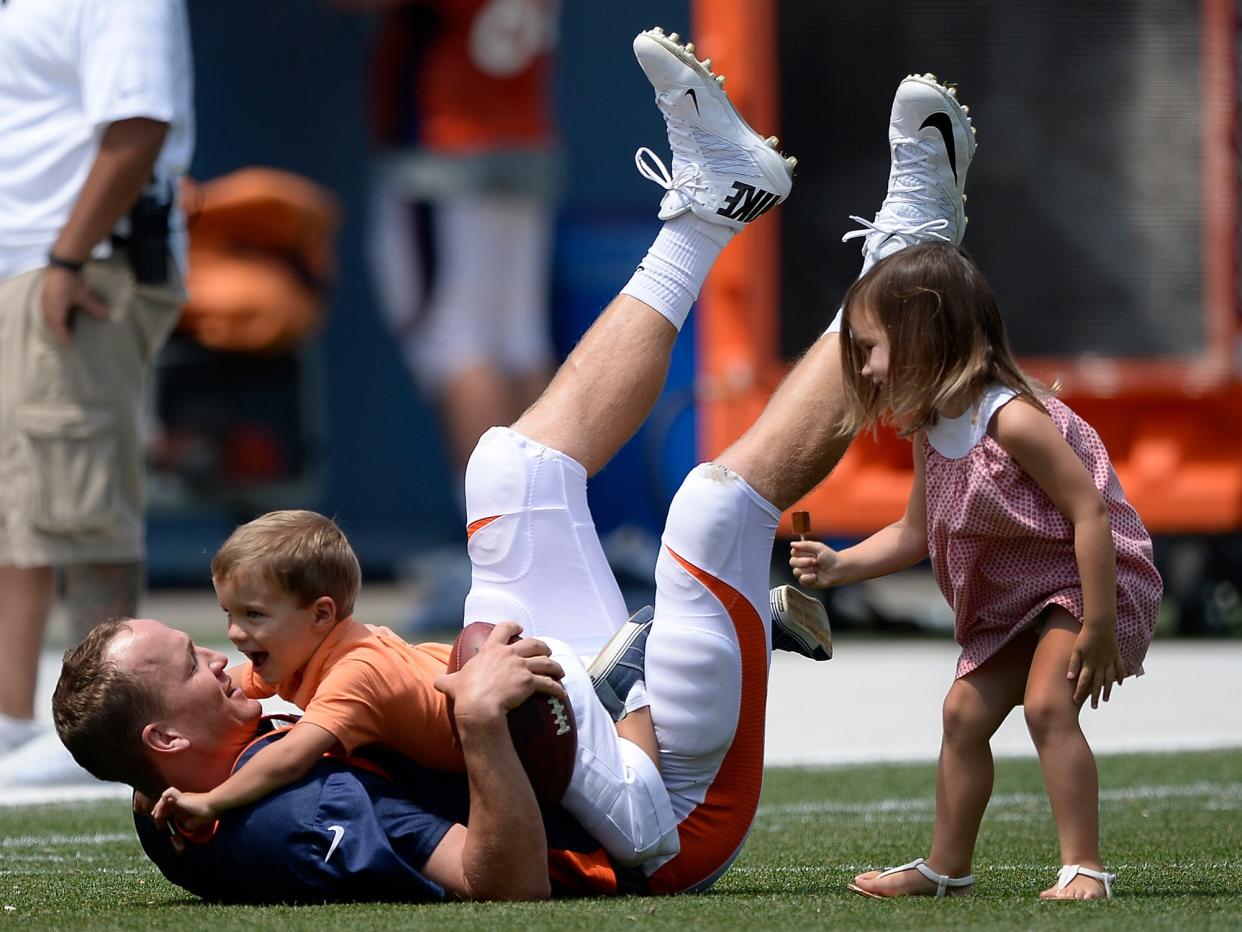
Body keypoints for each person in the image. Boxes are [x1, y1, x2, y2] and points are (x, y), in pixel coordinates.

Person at [53, 27, 953, 902]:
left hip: (538, 715)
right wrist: (482, 724)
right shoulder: (292, 820)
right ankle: (911, 260)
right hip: (654, 822)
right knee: (709, 512)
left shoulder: (172, 769)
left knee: (509, 469)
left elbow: (158, 748)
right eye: (191, 666)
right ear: (169, 736)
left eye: (196, 642)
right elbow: (505, 884)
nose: (222, 656)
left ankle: (715, 205)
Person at [789, 244, 1163, 900]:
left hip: (1085, 579)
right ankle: (946, 868)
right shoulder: (934, 429)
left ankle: (1086, 868)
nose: (868, 366)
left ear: (924, 333)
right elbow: (913, 532)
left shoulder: (1013, 419)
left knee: (1048, 706)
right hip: (1019, 596)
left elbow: (1090, 516)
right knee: (962, 713)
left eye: (873, 347)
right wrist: (840, 565)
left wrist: (1099, 625)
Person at [0, 0, 194, 782]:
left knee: (83, 504)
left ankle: (112, 722)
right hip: (34, 264)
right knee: (24, 506)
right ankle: (13, 717)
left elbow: (140, 123)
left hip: (78, 269)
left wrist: (69, 258)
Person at [335, 0, 563, 628]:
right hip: (523, 136)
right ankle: (545, 535)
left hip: (446, 146)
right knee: (517, 344)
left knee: (457, 344)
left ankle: (494, 553)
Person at [150, 510, 466, 833]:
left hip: (500, 744)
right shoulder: (299, 653)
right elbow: (218, 688)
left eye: (254, 615)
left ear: (320, 615)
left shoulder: (354, 672)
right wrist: (152, 741)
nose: (234, 632)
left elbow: (290, 758)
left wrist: (211, 801)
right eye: (229, 614)